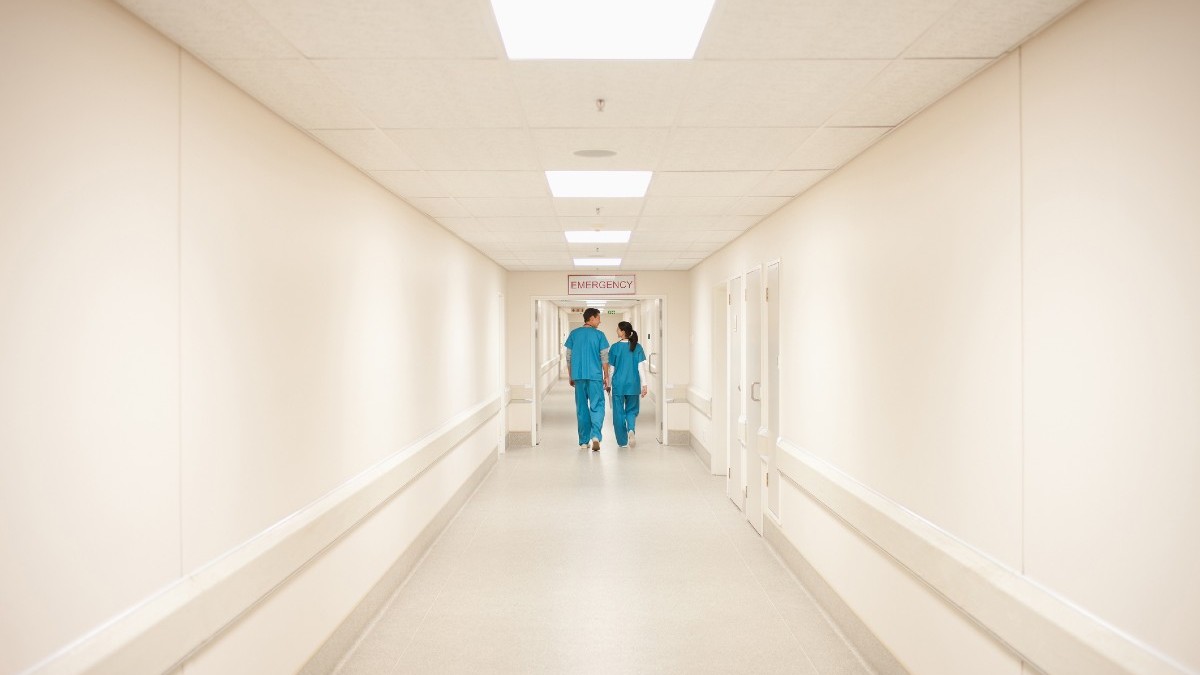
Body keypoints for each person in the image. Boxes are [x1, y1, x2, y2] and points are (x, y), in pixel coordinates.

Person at [564, 308, 610, 451]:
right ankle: (595, 435)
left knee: (582, 408)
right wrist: (606, 375)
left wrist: (571, 375)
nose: (600, 321)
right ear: (591, 318)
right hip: (595, 376)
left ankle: (584, 441)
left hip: (578, 376)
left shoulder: (574, 334)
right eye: (598, 318)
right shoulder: (599, 335)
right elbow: (604, 358)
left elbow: (568, 358)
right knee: (597, 405)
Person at [606, 320, 648, 449]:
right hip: (633, 385)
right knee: (631, 411)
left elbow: (611, 369)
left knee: (618, 413)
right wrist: (644, 385)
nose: (616, 331)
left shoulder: (614, 347)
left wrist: (609, 384)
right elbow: (641, 367)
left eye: (618, 329)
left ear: (623, 332)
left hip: (618, 385)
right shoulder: (637, 347)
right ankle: (631, 430)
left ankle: (622, 442)